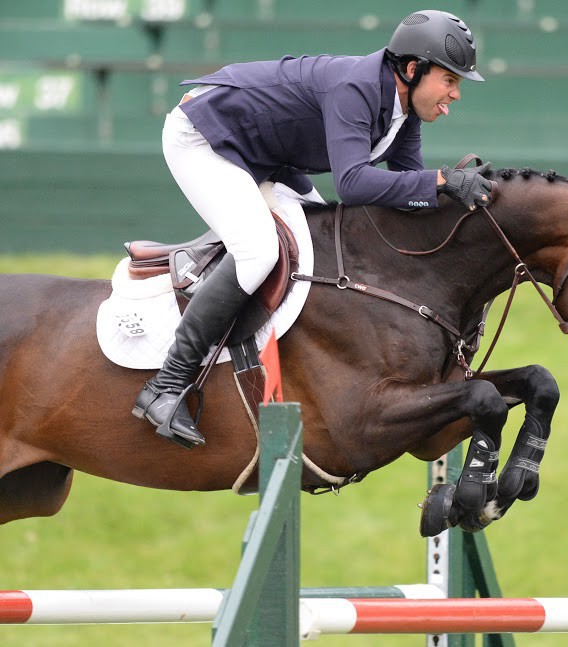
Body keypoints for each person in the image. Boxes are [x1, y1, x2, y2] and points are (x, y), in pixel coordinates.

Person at [132, 9, 496, 447]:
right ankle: (166, 386)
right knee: (258, 251)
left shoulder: (405, 113)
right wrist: (442, 181)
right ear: (413, 69)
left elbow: (405, 196)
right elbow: (354, 183)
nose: (455, 94)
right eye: (450, 80)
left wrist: (461, 211)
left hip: (264, 155)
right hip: (205, 138)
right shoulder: (356, 89)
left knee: (322, 243)